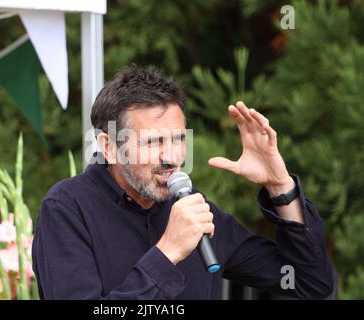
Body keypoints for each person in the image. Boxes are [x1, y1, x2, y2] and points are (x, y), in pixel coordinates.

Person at [32, 66, 334, 299]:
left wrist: (280, 188)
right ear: (109, 147)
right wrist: (167, 253)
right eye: (153, 142)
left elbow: (309, 284)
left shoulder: (193, 208)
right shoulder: (67, 209)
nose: (171, 157)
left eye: (178, 139)